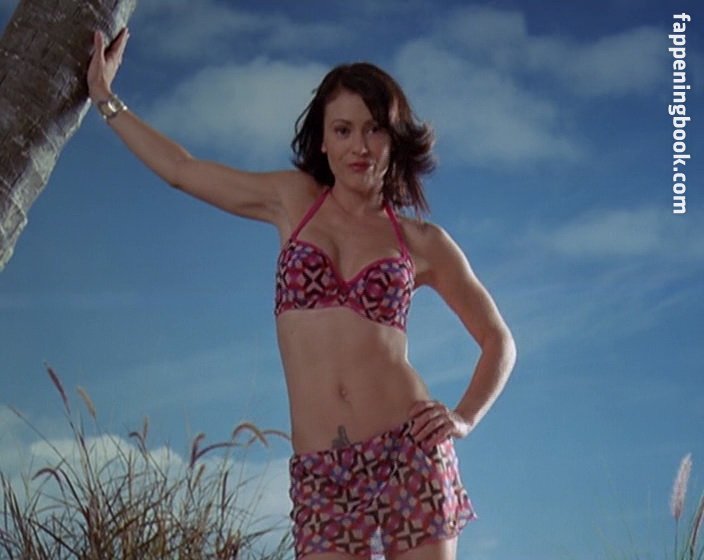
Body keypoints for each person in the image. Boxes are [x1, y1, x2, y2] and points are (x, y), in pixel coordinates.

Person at [87, 27, 517, 560]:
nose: (360, 146)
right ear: (322, 141)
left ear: (394, 139)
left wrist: (464, 417)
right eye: (343, 130)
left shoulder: (422, 241)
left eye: (375, 130)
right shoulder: (292, 201)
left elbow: (498, 340)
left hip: (409, 454)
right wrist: (104, 98)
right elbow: (182, 171)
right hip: (321, 473)